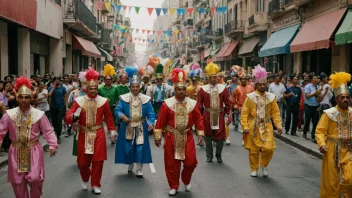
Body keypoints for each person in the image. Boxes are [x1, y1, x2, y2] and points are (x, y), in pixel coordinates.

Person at [0, 76, 57, 198]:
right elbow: (0, 132)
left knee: (35, 178)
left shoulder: (39, 114)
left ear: (31, 98)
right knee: (18, 183)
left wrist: (53, 144)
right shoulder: (9, 115)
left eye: (27, 97)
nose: (24, 100)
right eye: (21, 97)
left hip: (34, 149)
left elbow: (48, 131)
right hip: (15, 150)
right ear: (17, 97)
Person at [65, 67, 117, 194]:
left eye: (95, 88)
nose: (93, 90)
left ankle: (95, 184)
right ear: (86, 88)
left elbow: (109, 119)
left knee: (98, 161)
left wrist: (112, 131)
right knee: (83, 163)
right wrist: (73, 117)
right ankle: (85, 177)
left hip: (98, 133)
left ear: (97, 88)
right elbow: (68, 117)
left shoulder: (103, 101)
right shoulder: (79, 101)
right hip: (83, 133)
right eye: (90, 88)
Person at [154, 68, 204, 196]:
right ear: (174, 90)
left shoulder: (192, 104)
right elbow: (160, 122)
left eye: (183, 89)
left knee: (191, 162)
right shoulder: (167, 105)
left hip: (187, 136)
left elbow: (199, 119)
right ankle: (173, 185)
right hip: (171, 136)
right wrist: (158, 136)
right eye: (178, 89)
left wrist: (200, 134)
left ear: (185, 90)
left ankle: (186, 180)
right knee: (172, 164)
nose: (181, 91)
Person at [240, 65, 282, 177]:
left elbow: (276, 113)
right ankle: (254, 168)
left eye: (264, 84)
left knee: (269, 148)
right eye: (260, 84)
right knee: (253, 150)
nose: (262, 86)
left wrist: (278, 125)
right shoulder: (250, 97)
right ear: (256, 85)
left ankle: (264, 165)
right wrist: (245, 126)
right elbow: (244, 113)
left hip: (267, 125)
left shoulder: (271, 97)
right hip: (253, 125)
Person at [315, 72, 352, 197]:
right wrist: (322, 144)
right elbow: (320, 131)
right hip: (332, 149)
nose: (345, 99)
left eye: (347, 97)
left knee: (350, 179)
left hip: (349, 150)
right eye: (342, 97)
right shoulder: (329, 113)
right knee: (331, 182)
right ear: (336, 99)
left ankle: (343, 194)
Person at [115, 67, 155, 178]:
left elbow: (151, 114)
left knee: (140, 146)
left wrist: (151, 122)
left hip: (141, 126)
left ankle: (139, 169)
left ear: (140, 87)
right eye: (133, 86)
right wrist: (122, 116)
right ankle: (130, 163)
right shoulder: (124, 98)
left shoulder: (146, 99)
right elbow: (118, 110)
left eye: (137, 86)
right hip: (127, 125)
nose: (135, 88)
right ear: (130, 87)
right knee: (128, 147)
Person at [197, 62, 231, 163]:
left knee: (220, 137)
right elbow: (199, 104)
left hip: (219, 116)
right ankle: (209, 155)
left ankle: (219, 155)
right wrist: (198, 117)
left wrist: (228, 113)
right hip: (207, 115)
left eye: (216, 77)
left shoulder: (223, 89)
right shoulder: (202, 90)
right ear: (208, 78)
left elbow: (228, 103)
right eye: (212, 77)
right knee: (208, 136)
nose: (215, 79)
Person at [98, 64, 120, 144]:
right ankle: (101, 137)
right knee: (102, 123)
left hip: (112, 107)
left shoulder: (115, 88)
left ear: (111, 80)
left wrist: (118, 105)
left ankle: (113, 136)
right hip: (102, 108)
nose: (108, 81)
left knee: (112, 123)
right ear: (104, 80)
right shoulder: (100, 89)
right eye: (106, 79)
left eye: (109, 79)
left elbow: (119, 98)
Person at [48, 76, 67, 144]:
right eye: (56, 80)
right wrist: (53, 87)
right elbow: (49, 95)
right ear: (53, 81)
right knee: (54, 121)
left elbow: (65, 97)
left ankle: (58, 135)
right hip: (53, 106)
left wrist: (66, 107)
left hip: (61, 106)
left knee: (59, 120)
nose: (57, 82)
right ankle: (56, 131)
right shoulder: (50, 88)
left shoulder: (63, 88)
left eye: (58, 80)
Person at [303, 74, 320, 143]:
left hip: (316, 106)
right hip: (308, 105)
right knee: (307, 120)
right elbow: (307, 96)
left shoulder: (318, 87)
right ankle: (305, 132)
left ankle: (313, 136)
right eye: (314, 78)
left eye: (316, 78)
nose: (316, 79)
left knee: (315, 121)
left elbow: (319, 96)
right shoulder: (307, 86)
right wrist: (315, 93)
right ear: (311, 79)